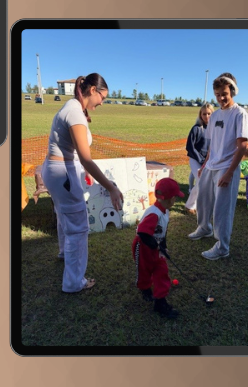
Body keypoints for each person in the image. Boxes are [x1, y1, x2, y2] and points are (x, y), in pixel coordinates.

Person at [41, 74, 124, 292]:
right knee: (78, 228)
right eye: (102, 97)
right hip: (63, 174)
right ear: (93, 90)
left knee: (64, 217)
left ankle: (63, 253)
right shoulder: (75, 112)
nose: (102, 103)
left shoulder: (73, 108)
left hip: (59, 171)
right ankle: (74, 282)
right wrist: (111, 187)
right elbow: (86, 159)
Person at [188, 73, 248, 261]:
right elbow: (211, 145)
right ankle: (204, 228)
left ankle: (222, 247)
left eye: (224, 93)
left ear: (232, 91)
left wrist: (230, 173)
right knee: (203, 200)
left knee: (222, 209)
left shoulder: (240, 114)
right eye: (217, 94)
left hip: (227, 167)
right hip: (211, 165)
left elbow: (242, 146)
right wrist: (204, 165)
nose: (221, 98)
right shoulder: (214, 116)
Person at [133, 177, 184, 320]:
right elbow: (142, 233)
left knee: (161, 271)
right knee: (144, 270)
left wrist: (163, 247)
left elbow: (163, 232)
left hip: (155, 247)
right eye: (175, 198)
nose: (175, 201)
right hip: (143, 247)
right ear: (170, 199)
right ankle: (144, 289)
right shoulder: (154, 213)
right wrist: (156, 246)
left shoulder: (165, 211)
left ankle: (160, 303)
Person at [184, 103, 213, 215]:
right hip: (195, 160)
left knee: (205, 182)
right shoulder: (196, 129)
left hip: (208, 161)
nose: (206, 116)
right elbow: (189, 147)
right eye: (204, 114)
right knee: (201, 181)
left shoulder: (215, 130)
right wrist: (201, 160)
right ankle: (190, 205)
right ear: (200, 115)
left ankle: (200, 203)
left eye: (209, 113)